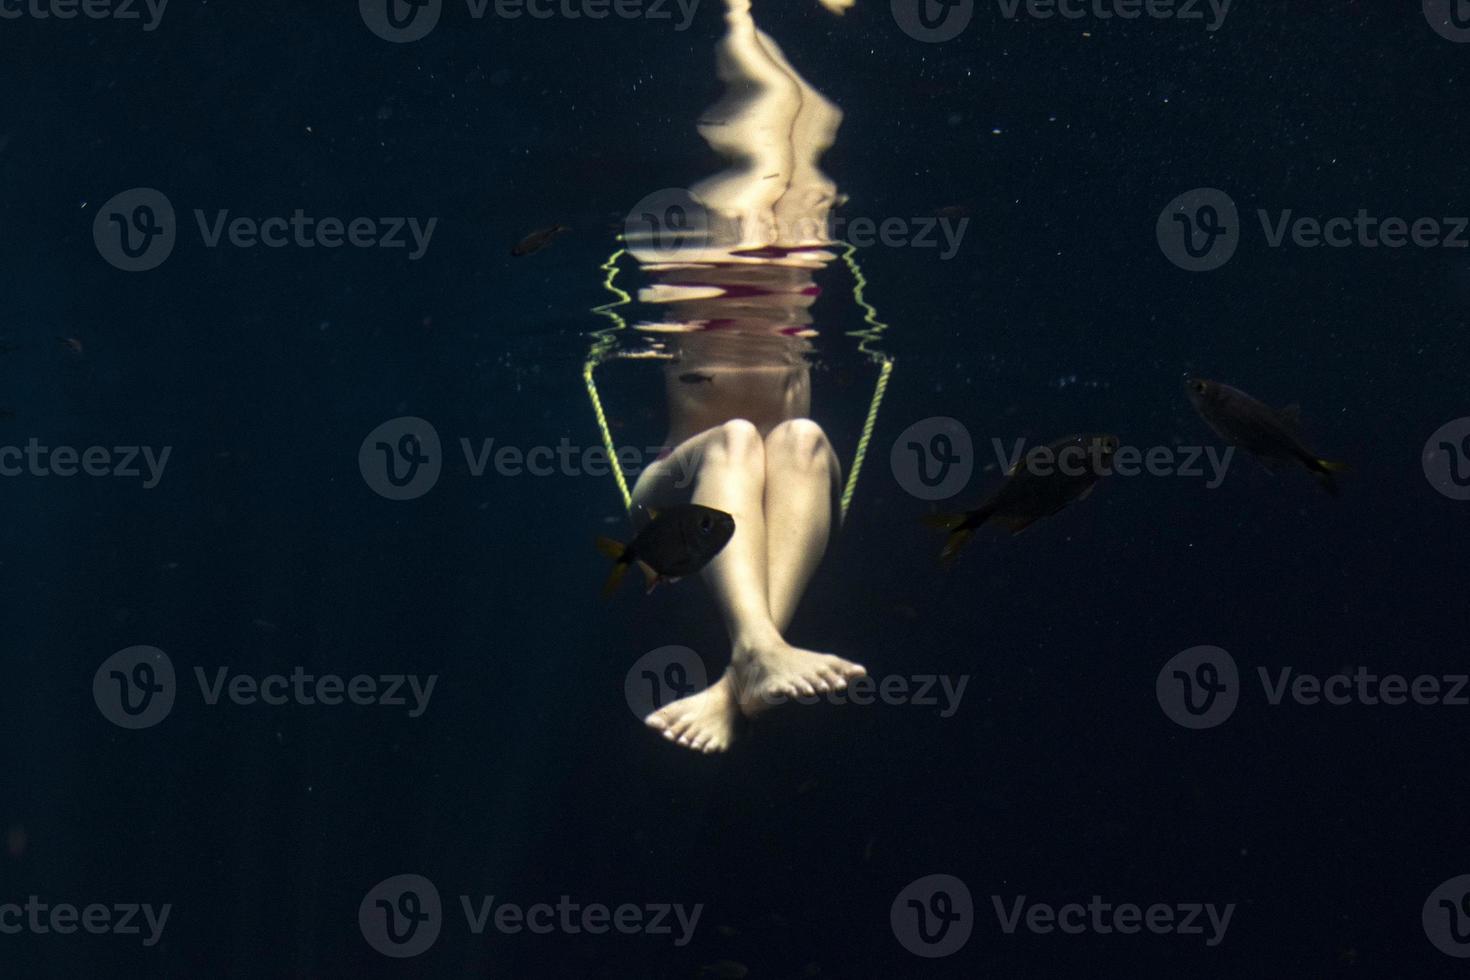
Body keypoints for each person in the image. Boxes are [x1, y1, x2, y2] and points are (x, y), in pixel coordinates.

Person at [622, 0, 865, 753]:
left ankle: (747, 667)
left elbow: (778, 165)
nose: (765, 249)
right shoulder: (682, 272)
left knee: (800, 439)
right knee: (733, 439)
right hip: (675, 485)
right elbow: (766, 159)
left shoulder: (798, 270)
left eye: (788, 232)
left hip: (773, 490)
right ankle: (757, 651)